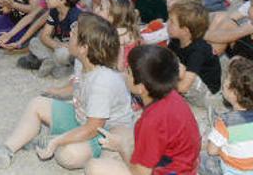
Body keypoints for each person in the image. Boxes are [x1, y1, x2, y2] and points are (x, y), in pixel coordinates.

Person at [0, 13, 134, 170]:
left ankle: (48, 138)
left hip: (105, 134)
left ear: (84, 47)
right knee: (37, 103)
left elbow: (93, 128)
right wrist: (56, 92)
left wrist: (58, 141)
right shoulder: (82, 61)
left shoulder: (102, 81)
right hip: (81, 118)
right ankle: (5, 151)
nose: (69, 35)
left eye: (73, 34)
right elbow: (78, 86)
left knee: (67, 156)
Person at [85, 45, 201, 175]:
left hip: (170, 171)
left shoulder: (151, 121)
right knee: (124, 135)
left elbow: (141, 173)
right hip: (184, 163)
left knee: (94, 167)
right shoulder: (172, 95)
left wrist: (122, 148)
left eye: (128, 72)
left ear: (141, 87)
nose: (125, 74)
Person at [200, 57, 253, 175]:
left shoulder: (225, 122)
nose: (224, 82)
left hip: (232, 170)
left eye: (227, 79)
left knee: (201, 158)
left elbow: (212, 150)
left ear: (235, 93)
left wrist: (221, 148)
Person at [17, 0, 83, 78]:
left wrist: (60, 47)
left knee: (62, 54)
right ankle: (53, 62)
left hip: (72, 49)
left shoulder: (75, 16)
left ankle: (58, 64)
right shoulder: (54, 10)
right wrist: (56, 45)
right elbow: (44, 36)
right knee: (34, 42)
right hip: (59, 44)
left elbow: (77, 46)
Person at [168, 1, 222, 107]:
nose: (168, 24)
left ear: (185, 31)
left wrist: (161, 86)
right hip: (190, 78)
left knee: (179, 69)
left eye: (172, 22)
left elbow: (184, 87)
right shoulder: (176, 40)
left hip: (205, 93)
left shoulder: (198, 51)